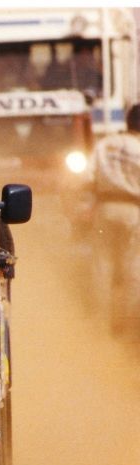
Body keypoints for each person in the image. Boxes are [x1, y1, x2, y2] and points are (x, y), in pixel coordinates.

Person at [90, 103, 140, 334]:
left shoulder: (105, 144)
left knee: (103, 265)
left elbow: (86, 178)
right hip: (133, 210)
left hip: (105, 207)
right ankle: (127, 325)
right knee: (132, 268)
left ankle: (100, 322)